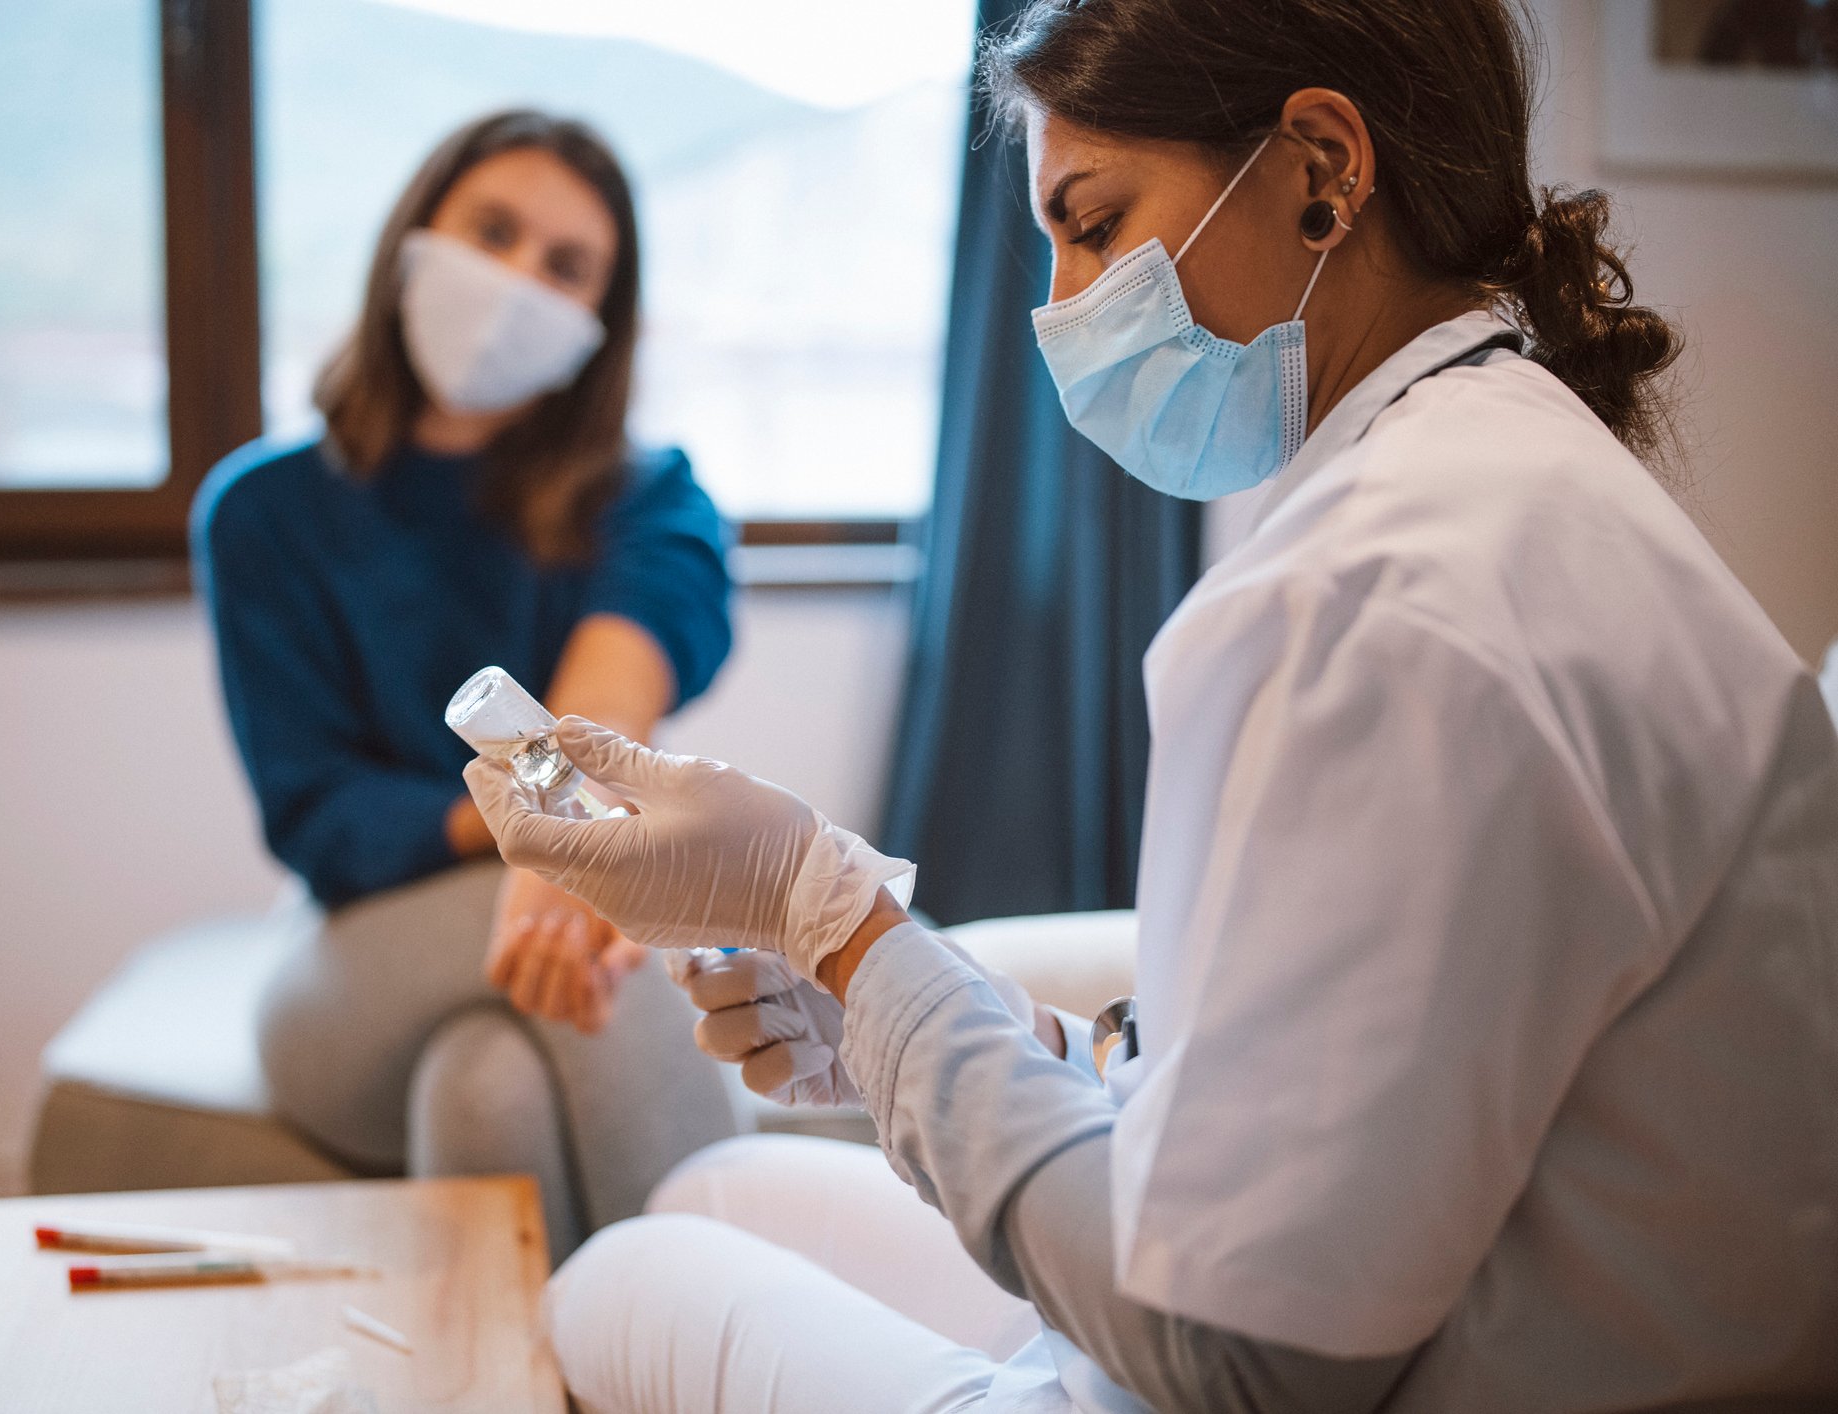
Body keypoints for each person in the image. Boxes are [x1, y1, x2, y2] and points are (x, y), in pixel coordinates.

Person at [460, 3, 1838, 1410]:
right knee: (716, 1186)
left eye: (1097, 225)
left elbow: (1232, 1356)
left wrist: (838, 920)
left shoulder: (1369, 598)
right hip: (1442, 1298)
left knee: (611, 1281)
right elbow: (1339, 1085)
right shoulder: (1509, 470)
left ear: (1320, 167)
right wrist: (931, 1021)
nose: (1060, 305)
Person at [192, 110, 740, 1262]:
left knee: (486, 1089)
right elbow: (319, 816)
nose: (515, 280)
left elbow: (629, 656)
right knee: (618, 918)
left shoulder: (644, 495)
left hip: (526, 927)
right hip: (355, 960)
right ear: (414, 235)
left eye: (565, 265)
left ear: (601, 320)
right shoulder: (263, 513)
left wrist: (558, 830)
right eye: (492, 231)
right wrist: (542, 832)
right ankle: (734, 1340)